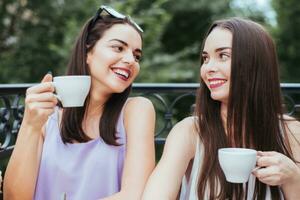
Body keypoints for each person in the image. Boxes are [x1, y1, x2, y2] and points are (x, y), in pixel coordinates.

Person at [4, 5, 155, 200]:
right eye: (118, 47)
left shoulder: (137, 110)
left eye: (137, 56)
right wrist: (30, 125)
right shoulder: (46, 117)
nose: (130, 61)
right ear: (87, 52)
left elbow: (136, 195)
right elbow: (14, 197)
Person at [142, 17, 300, 200]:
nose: (208, 68)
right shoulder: (189, 132)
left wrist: (293, 179)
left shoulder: (291, 133)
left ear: (255, 64)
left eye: (223, 56)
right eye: (205, 58)